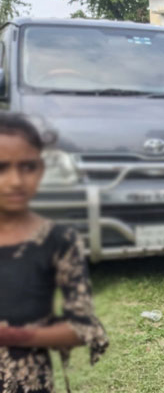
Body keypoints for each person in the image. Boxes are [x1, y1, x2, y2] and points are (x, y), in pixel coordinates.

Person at [0, 113, 108, 392]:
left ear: (40, 170)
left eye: (27, 167)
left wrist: (15, 335)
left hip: (27, 381)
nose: (15, 181)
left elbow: (82, 327)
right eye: (2, 167)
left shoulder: (58, 241)